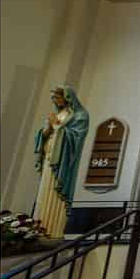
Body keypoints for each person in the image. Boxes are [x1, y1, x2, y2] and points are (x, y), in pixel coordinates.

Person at [30, 86, 91, 241]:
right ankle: (38, 230)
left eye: (56, 97)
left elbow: (75, 138)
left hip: (63, 162)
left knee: (56, 193)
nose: (54, 101)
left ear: (67, 97)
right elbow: (44, 134)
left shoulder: (80, 115)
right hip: (49, 158)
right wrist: (48, 128)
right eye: (52, 98)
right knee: (44, 192)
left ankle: (53, 232)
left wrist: (56, 124)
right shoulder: (57, 114)